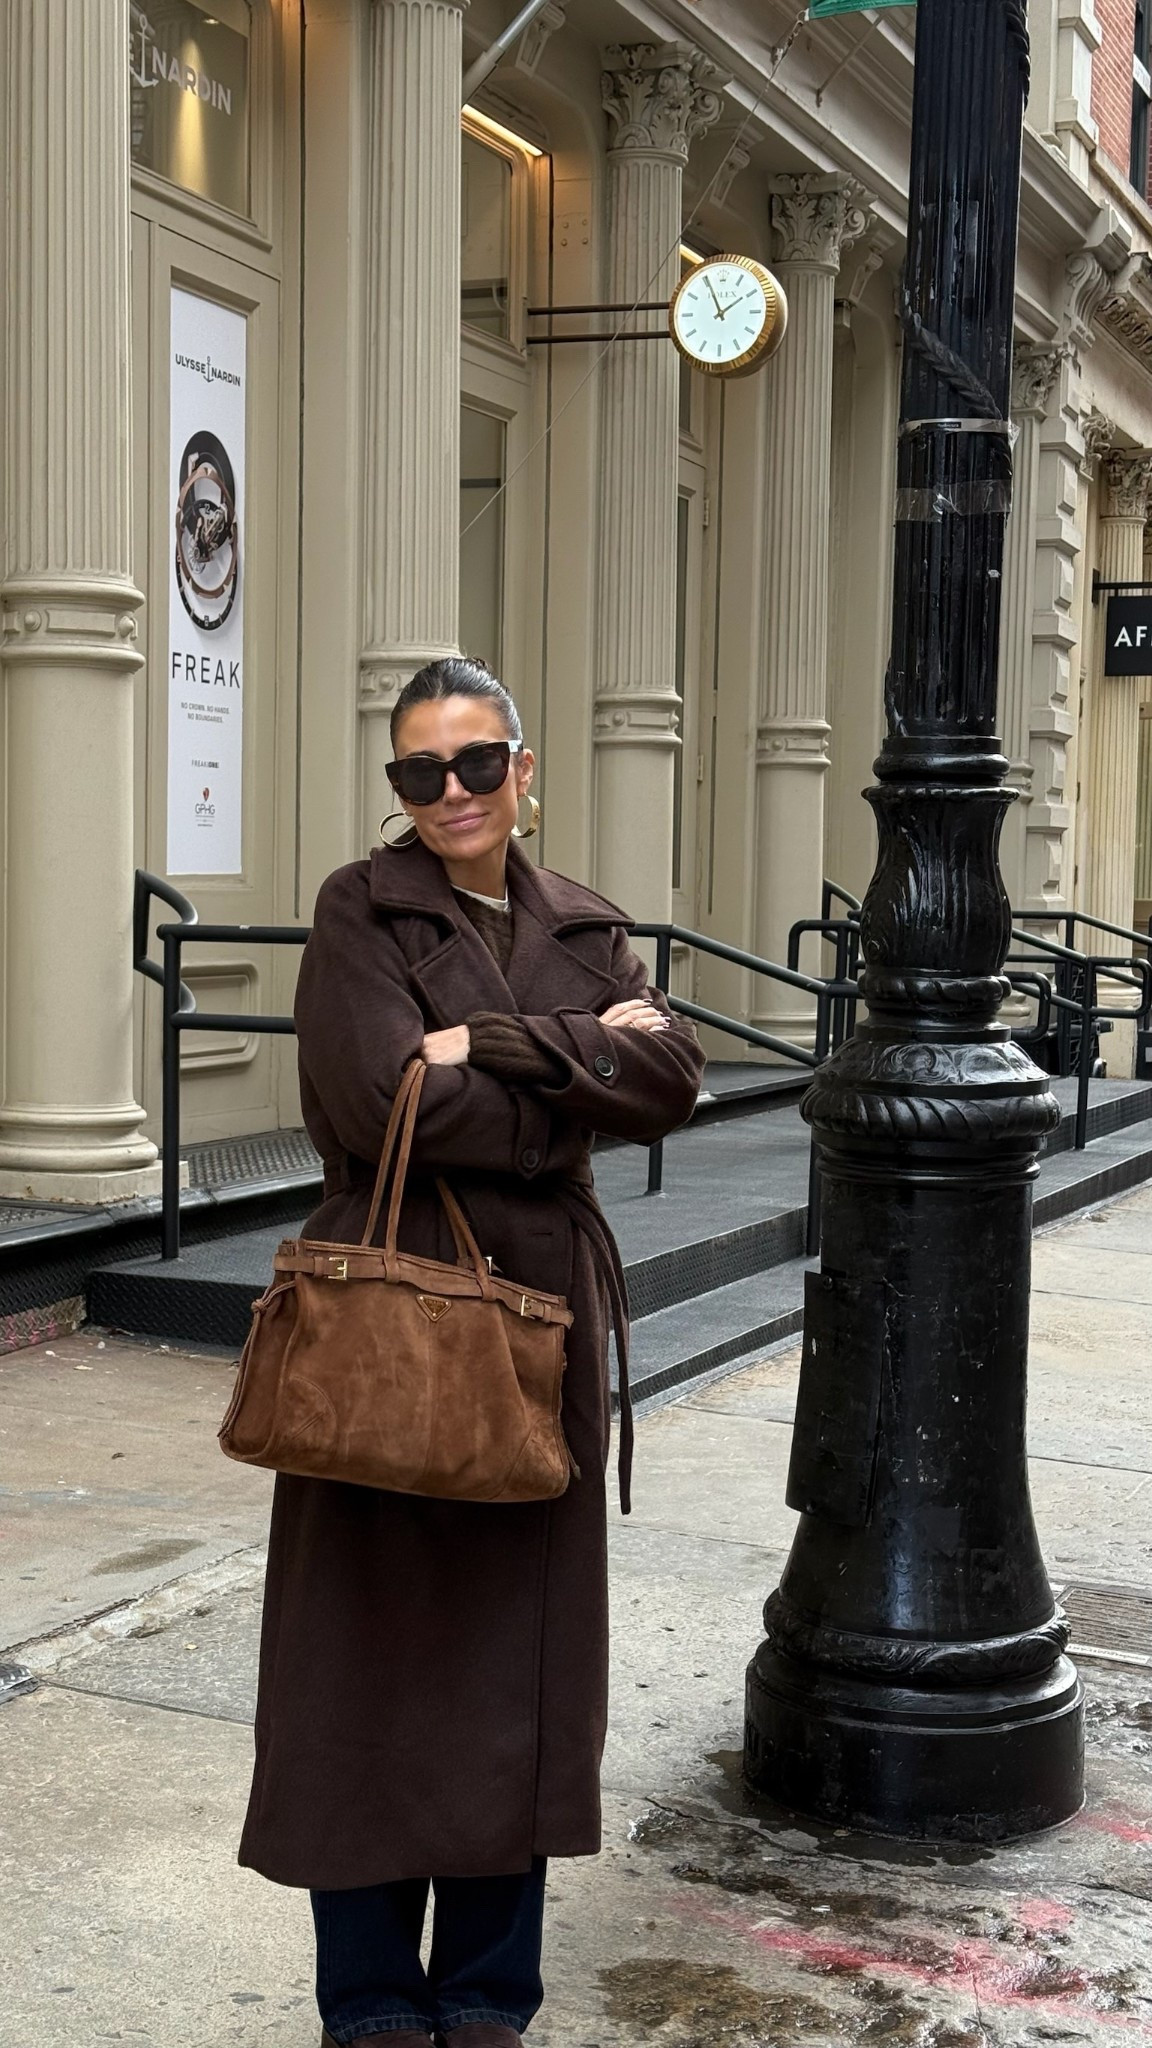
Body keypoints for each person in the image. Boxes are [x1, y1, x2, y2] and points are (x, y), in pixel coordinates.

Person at [238, 656, 705, 2047]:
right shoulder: (357, 907)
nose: (450, 794)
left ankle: (491, 1997)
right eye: (419, 774)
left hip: (541, 1335)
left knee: (522, 1673)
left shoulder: (583, 919)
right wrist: (574, 1072)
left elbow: (673, 1081)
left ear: (524, 769)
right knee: (367, 1665)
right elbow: (379, 1103)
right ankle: (375, 2003)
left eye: (475, 764)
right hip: (391, 1328)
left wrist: (487, 1042)